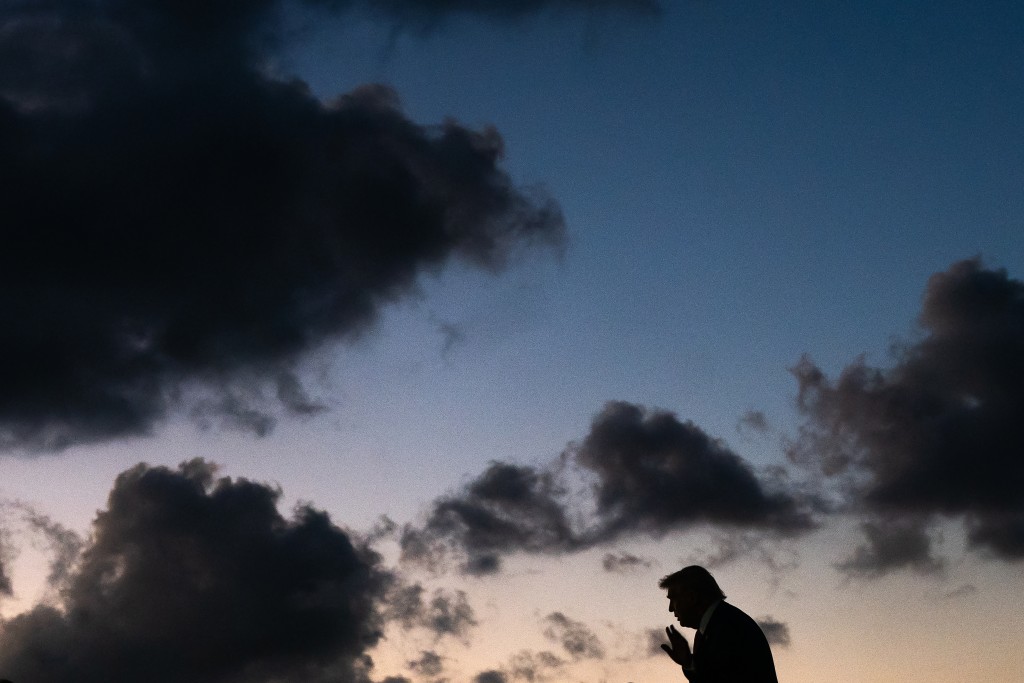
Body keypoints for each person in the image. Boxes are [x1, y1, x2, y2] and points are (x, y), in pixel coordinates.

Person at [659, 565, 778, 683]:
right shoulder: (717, 626)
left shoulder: (730, 628)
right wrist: (689, 663)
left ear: (692, 597)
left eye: (673, 599)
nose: (670, 608)